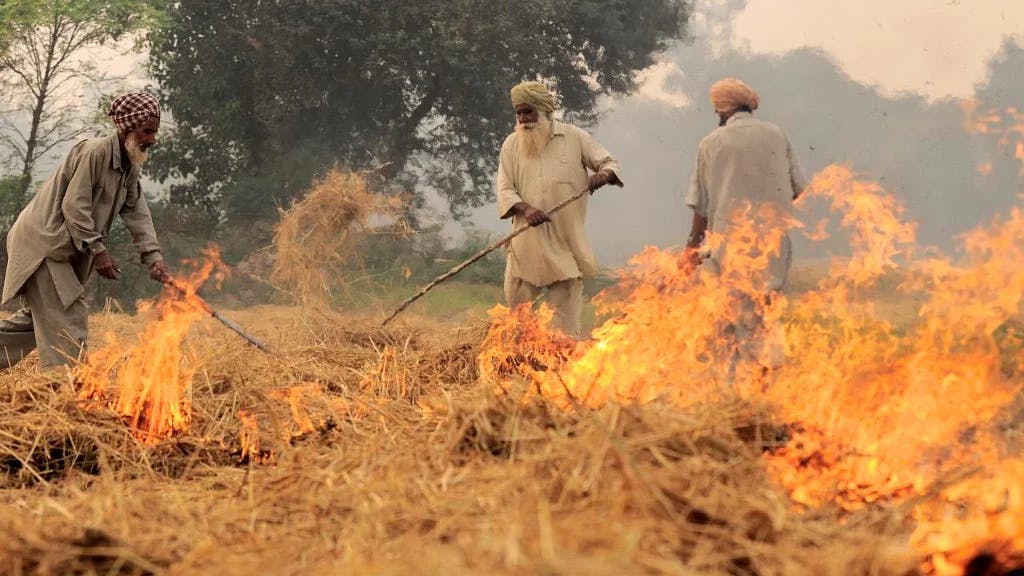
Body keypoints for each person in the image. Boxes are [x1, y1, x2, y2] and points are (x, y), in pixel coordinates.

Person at [0, 92, 169, 369]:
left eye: (154, 132)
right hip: (45, 244)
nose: (152, 139)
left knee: (39, 322)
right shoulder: (94, 152)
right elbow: (74, 206)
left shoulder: (129, 165)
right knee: (68, 313)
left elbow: (137, 212)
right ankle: (66, 387)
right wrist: (98, 250)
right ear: (126, 127)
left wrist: (154, 258)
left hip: (60, 248)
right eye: (147, 131)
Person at [681, 78, 807, 370]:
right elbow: (798, 188)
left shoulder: (712, 142)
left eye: (717, 111)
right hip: (774, 243)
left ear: (723, 110)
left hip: (728, 243)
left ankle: (734, 393)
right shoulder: (777, 135)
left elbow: (701, 206)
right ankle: (766, 381)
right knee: (765, 311)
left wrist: (690, 249)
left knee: (729, 316)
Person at [496, 81, 623, 339]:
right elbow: (505, 189)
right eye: (519, 113)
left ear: (544, 110)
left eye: (528, 111)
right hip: (525, 245)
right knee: (517, 326)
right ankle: (514, 371)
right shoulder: (511, 144)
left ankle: (563, 371)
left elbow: (609, 162)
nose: (523, 119)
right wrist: (526, 208)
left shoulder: (574, 137)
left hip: (565, 245)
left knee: (564, 331)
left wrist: (604, 175)